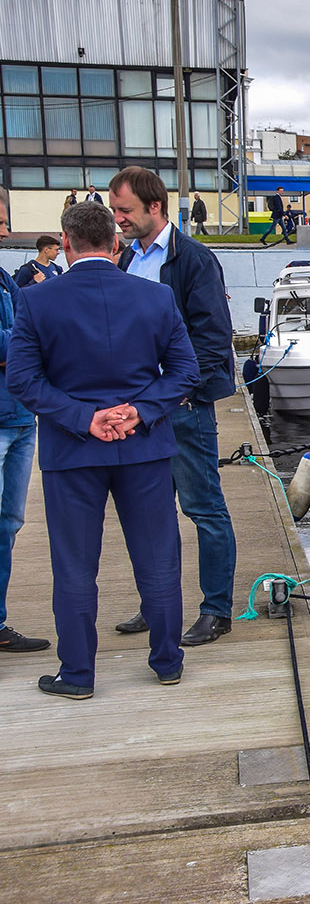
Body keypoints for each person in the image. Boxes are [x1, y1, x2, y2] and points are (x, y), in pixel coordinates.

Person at [6, 201, 199, 698]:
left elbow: (25, 379)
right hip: (145, 446)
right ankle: (167, 661)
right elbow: (184, 372)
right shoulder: (156, 298)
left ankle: (77, 675)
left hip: (71, 452)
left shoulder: (37, 301)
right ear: (115, 244)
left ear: (65, 244)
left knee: (74, 565)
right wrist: (137, 411)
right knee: (158, 558)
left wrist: (84, 418)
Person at [108, 167, 238, 647]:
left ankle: (215, 610)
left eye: (125, 211)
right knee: (150, 511)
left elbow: (213, 337)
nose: (117, 219)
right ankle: (156, 603)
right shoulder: (125, 262)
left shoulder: (194, 260)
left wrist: (181, 393)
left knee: (203, 508)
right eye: (115, 210)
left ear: (155, 207)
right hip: (136, 410)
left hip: (181, 407)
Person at [0, 187, 49, 654]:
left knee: (9, 523)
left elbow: (28, 333)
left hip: (20, 417)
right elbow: (20, 340)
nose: (5, 230)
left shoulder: (2, 276)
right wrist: (19, 338)